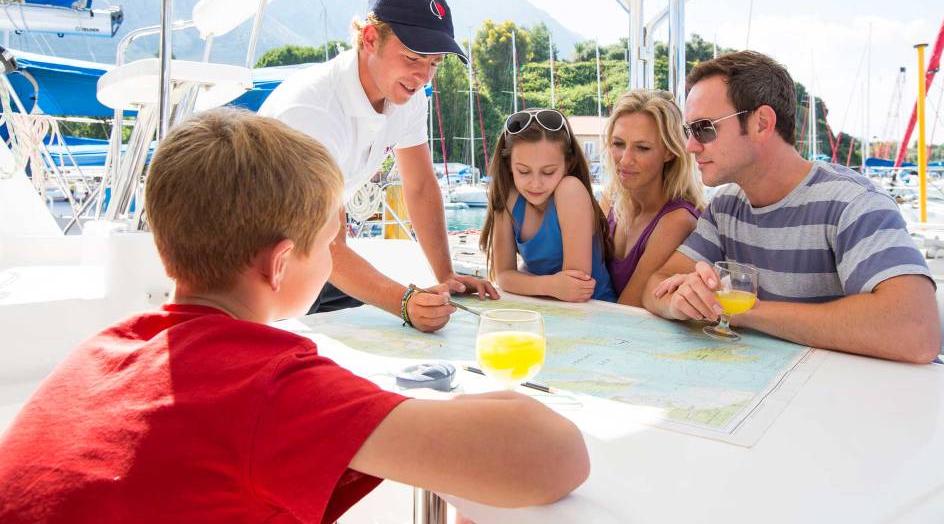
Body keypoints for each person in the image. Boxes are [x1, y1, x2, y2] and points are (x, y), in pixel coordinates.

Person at [0, 109, 589, 522]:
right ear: (282, 264)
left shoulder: (98, 351)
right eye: (333, 240)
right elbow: (556, 458)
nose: (336, 252)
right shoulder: (268, 387)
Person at [642, 51, 941, 364]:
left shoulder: (853, 204)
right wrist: (679, 302)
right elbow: (655, 285)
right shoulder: (726, 207)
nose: (690, 146)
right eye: (689, 131)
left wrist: (742, 309)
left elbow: (916, 331)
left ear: (761, 123)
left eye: (704, 128)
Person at [259, 0, 496, 332]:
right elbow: (322, 239)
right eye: (413, 58)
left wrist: (446, 275)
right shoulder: (314, 111)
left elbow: (418, 185)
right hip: (263, 269)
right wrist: (404, 303)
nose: (422, 76)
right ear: (370, 39)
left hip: (317, 260)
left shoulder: (410, 95)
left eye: (434, 63)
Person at [480, 108, 616, 303]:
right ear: (509, 165)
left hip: (596, 310)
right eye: (524, 172)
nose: (535, 184)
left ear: (568, 164)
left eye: (548, 172)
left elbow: (575, 288)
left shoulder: (571, 191)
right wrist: (549, 285)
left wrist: (529, 283)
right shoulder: (508, 198)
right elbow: (503, 276)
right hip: (545, 305)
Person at [601, 89, 704, 306]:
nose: (625, 160)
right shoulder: (610, 200)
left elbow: (629, 306)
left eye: (642, 148)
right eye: (618, 144)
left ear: (669, 152)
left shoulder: (677, 220)